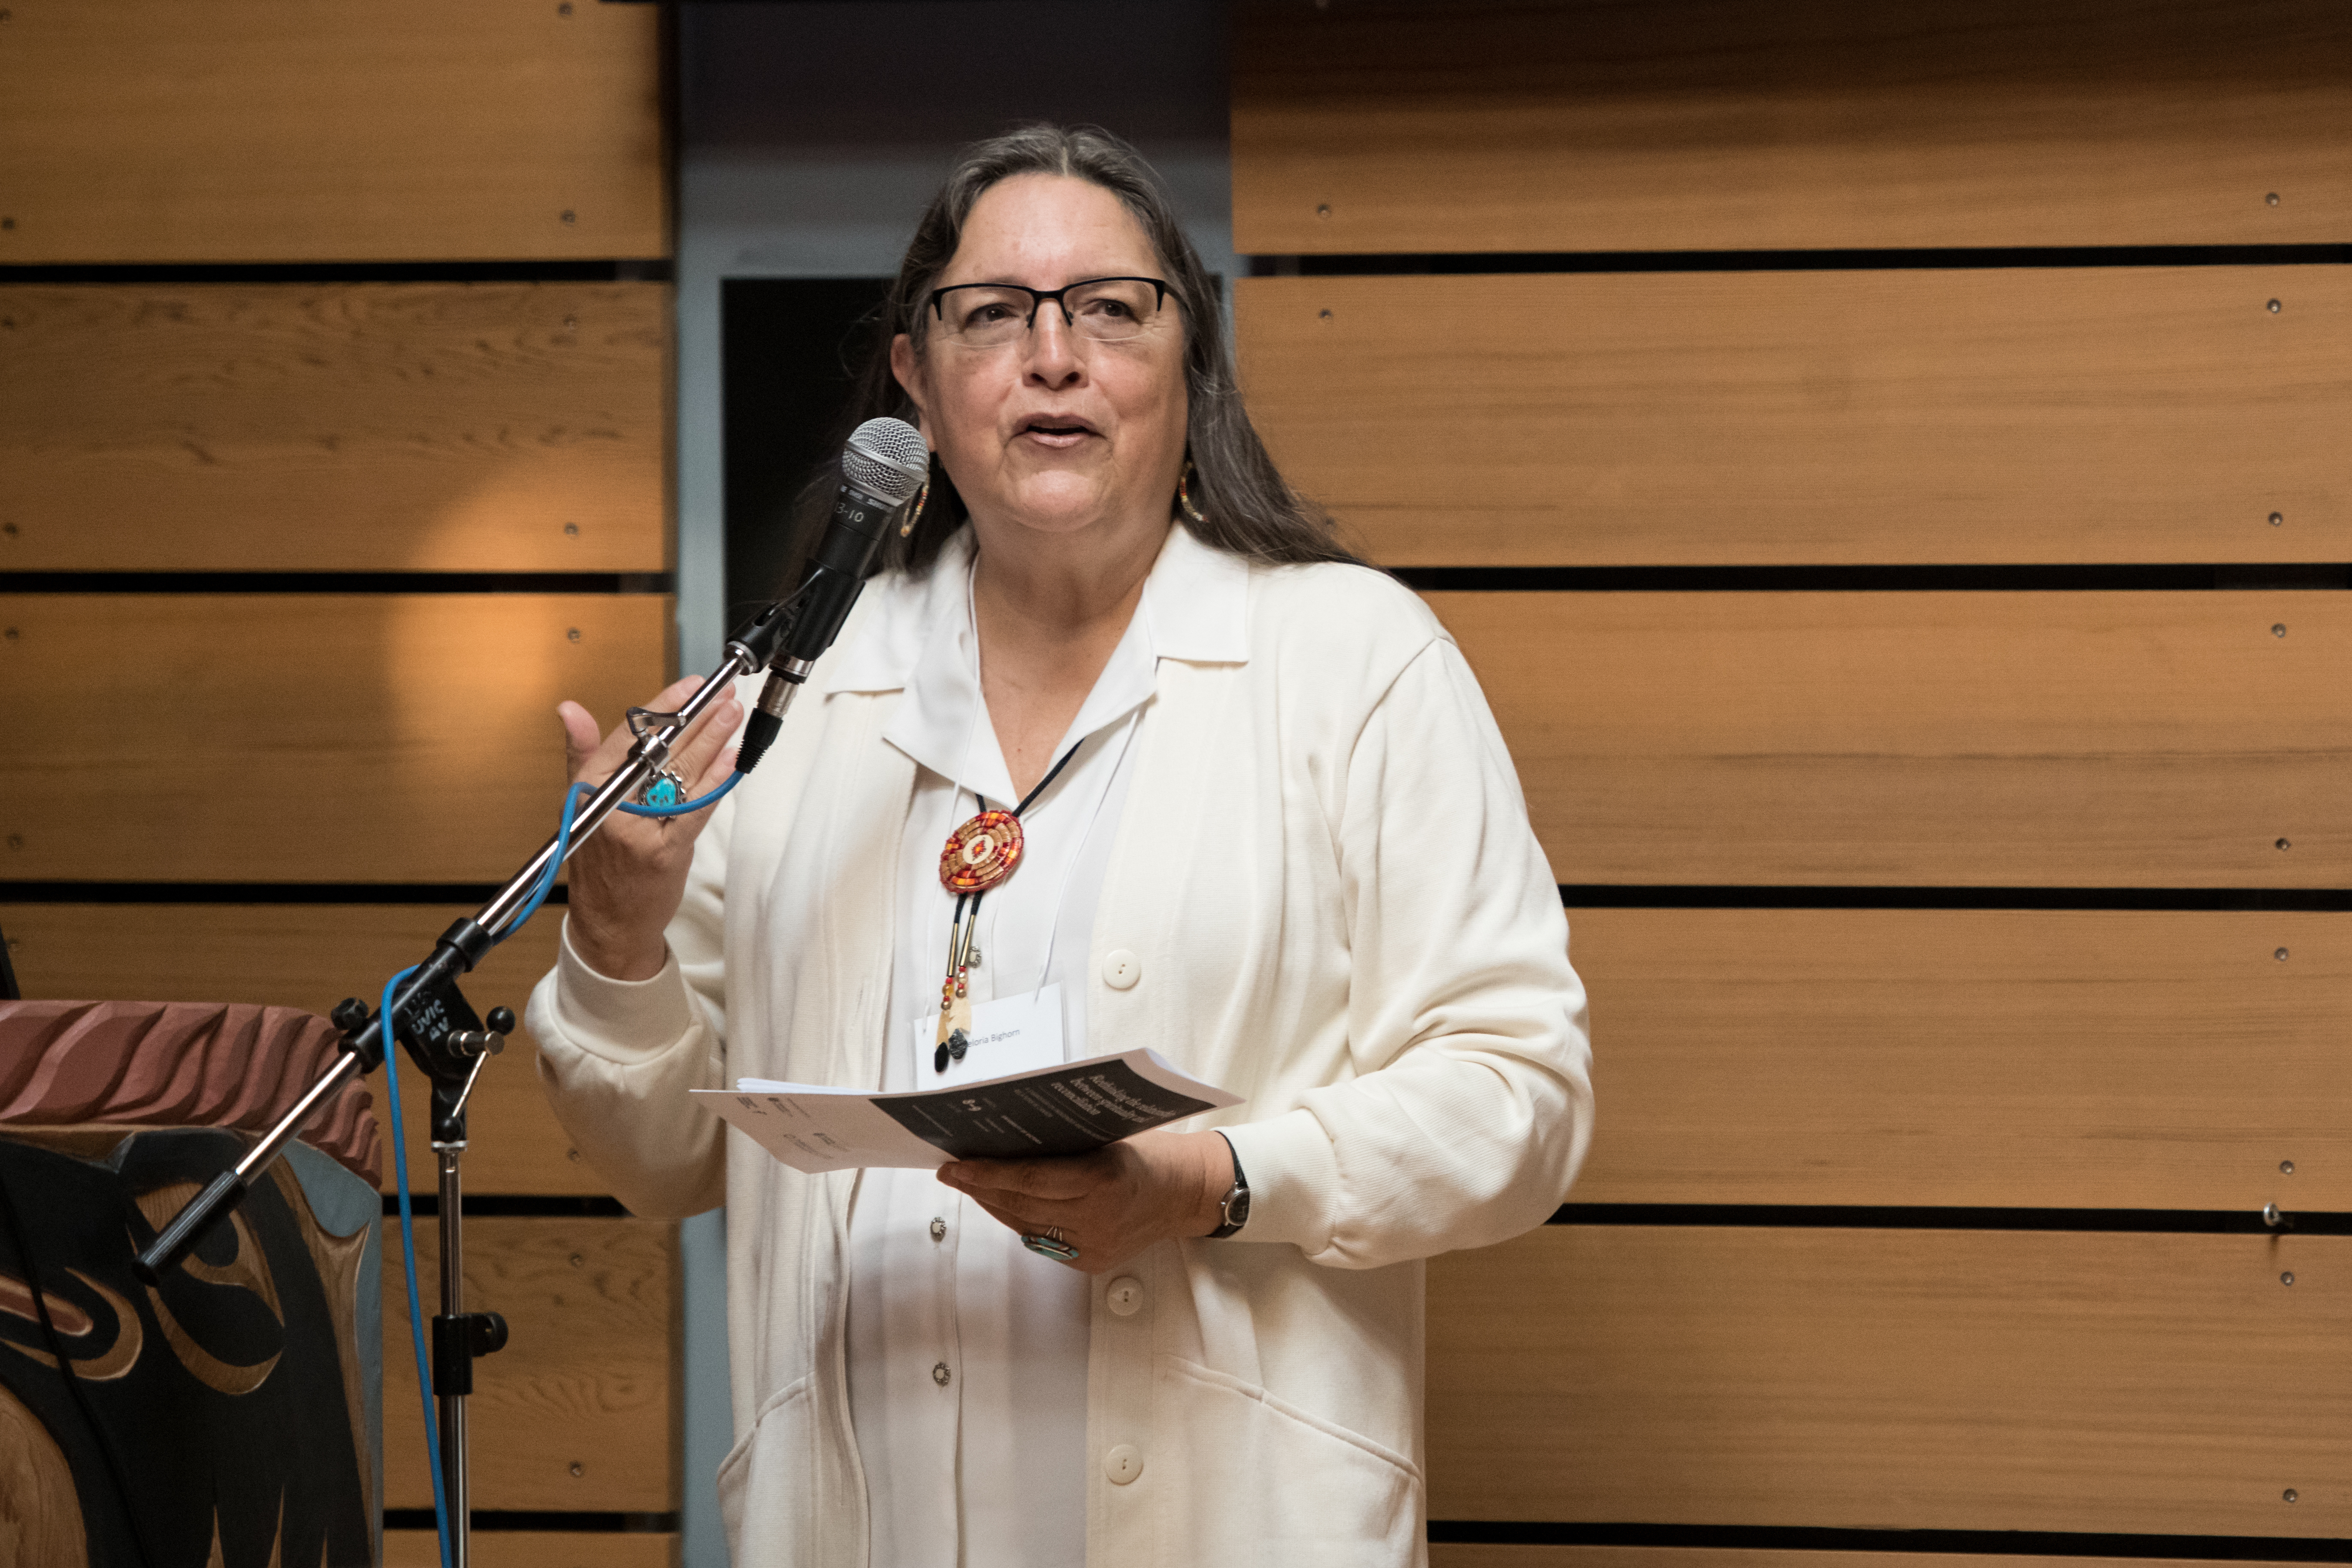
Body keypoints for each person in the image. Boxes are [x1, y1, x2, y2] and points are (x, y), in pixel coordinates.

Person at [528, 124, 1592, 1568]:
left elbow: (1517, 1102)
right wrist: (616, 937)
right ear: (914, 377)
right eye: (992, 313)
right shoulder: (792, 698)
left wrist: (1210, 1182)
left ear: (1185, 357)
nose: (1052, 356)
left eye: (1108, 307)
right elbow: (660, 1158)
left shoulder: (1349, 657)